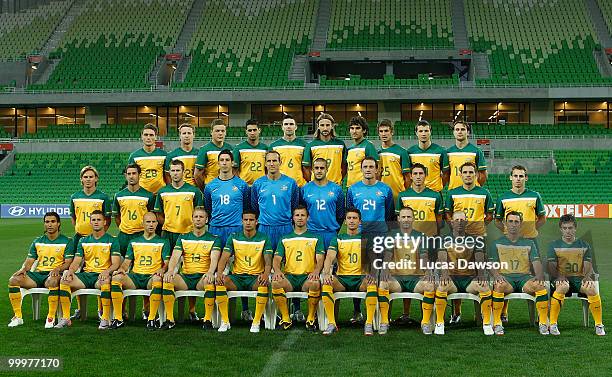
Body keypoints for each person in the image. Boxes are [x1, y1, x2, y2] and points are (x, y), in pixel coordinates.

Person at [203, 149, 252, 322]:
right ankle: (216, 310)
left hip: (236, 230)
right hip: (216, 230)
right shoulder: (210, 186)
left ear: (232, 163)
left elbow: (247, 207)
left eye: (227, 160)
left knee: (241, 269)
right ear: (218, 163)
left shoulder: (242, 185)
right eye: (221, 160)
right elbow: (208, 208)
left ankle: (245, 309)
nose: (224, 163)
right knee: (217, 269)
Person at [494, 165, 546, 323]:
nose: (518, 179)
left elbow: (542, 218)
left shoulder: (535, 196)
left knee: (534, 278)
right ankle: (503, 312)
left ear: (526, 178)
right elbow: (497, 220)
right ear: (510, 178)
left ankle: (539, 314)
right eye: (515, 176)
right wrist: (508, 232)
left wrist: (529, 231)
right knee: (506, 276)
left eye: (521, 176)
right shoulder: (503, 198)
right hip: (509, 245)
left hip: (530, 242)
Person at [55, 210, 121, 329]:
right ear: (90, 222)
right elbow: (76, 261)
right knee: (65, 280)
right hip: (86, 276)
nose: (96, 222)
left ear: (105, 222)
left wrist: (106, 272)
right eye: (94, 220)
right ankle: (66, 318)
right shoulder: (83, 240)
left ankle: (105, 318)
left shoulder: (112, 240)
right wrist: (70, 271)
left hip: (101, 276)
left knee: (105, 281)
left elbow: (116, 264)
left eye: (99, 220)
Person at [395, 162, 443, 324]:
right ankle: (406, 313)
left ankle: (428, 317)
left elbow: (439, 221)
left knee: (429, 277)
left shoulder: (435, 195)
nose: (417, 177)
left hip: (428, 242)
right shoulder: (403, 195)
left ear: (425, 176)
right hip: (408, 243)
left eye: (420, 174)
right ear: (410, 176)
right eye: (414, 174)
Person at [8, 212, 74, 328]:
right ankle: (18, 317)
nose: (50, 224)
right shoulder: (37, 241)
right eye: (47, 222)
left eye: (53, 221)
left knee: (52, 281)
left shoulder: (67, 241)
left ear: (58, 224)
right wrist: (24, 269)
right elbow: (30, 260)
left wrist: (57, 269)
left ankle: (50, 317)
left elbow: (68, 263)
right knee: (13, 280)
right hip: (37, 275)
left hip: (54, 275)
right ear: (44, 224)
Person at [320, 208, 378, 336]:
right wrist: (326, 273)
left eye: (355, 218)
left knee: (372, 283)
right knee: (326, 283)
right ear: (345, 221)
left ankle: (368, 323)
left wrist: (372, 272)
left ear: (360, 221)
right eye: (349, 218)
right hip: (342, 279)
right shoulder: (338, 238)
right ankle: (332, 323)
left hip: (360, 278)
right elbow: (329, 256)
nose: (352, 221)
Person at [489, 212, 549, 336]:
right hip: (506, 279)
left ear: (520, 224)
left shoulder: (529, 243)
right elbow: (491, 264)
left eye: (516, 222)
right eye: (510, 221)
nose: (513, 224)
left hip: (524, 278)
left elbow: (536, 261)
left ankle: (543, 323)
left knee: (539, 285)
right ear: (505, 224)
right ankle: (497, 322)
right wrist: (496, 276)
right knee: (499, 285)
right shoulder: (496, 243)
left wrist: (538, 275)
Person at [378, 207, 436, 335]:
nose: (406, 219)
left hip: (415, 279)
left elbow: (424, 256)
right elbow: (387, 255)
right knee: (383, 283)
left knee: (430, 284)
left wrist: (428, 272)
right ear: (398, 219)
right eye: (403, 217)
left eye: (409, 217)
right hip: (397, 279)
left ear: (413, 219)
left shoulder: (421, 236)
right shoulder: (391, 235)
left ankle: (425, 322)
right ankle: (384, 322)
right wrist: (385, 269)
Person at [162, 208, 222, 330]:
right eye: (196, 217)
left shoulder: (214, 239)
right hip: (186, 278)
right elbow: (175, 256)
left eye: (201, 217)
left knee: (209, 281)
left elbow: (214, 258)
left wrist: (210, 272)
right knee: (168, 280)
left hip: (202, 278)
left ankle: (207, 320)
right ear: (192, 219)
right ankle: (170, 319)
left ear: (206, 220)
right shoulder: (183, 237)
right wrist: (170, 270)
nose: (198, 219)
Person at [435, 211, 493, 335]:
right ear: (451, 222)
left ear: (466, 222)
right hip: (452, 279)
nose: (460, 222)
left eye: (462, 220)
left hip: (469, 280)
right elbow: (442, 257)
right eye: (457, 220)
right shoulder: (443, 239)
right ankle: (440, 323)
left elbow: (479, 257)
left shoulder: (475, 239)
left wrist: (481, 275)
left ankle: (487, 323)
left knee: (484, 287)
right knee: (442, 286)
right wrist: (444, 274)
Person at [215, 210, 273, 333]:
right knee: (220, 281)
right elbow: (224, 258)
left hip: (255, 278)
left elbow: (268, 261)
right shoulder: (234, 237)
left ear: (256, 222)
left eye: (251, 220)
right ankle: (225, 321)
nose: (248, 222)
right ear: (242, 221)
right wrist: (220, 273)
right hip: (237, 278)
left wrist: (266, 274)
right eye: (245, 220)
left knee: (263, 283)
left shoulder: (264, 238)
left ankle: (256, 322)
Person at [109, 212, 170, 329]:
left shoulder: (163, 242)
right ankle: (118, 318)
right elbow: (127, 262)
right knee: (116, 277)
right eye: (148, 222)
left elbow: (166, 263)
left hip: (151, 278)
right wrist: (121, 269)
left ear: (157, 224)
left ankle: (151, 318)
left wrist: (162, 269)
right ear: (143, 224)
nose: (151, 224)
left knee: (158, 279)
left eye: (153, 222)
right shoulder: (133, 242)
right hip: (136, 278)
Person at [547, 214, 605, 336]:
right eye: (565, 228)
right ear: (561, 229)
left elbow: (588, 265)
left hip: (579, 279)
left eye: (570, 228)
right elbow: (551, 266)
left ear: (575, 228)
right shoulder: (553, 245)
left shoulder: (584, 245)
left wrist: (587, 276)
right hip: (561, 279)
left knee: (591, 288)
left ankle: (599, 325)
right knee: (562, 287)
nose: (568, 231)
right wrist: (558, 276)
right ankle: (553, 324)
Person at [271, 206, 325, 331]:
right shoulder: (284, 238)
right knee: (275, 282)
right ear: (293, 218)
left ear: (308, 218)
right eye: (297, 215)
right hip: (290, 277)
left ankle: (311, 318)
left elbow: (320, 259)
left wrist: (316, 271)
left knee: (315, 283)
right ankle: (285, 319)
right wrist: (278, 271)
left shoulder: (316, 238)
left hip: (307, 277)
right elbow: (277, 259)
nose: (300, 218)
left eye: (303, 215)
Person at [69, 165, 111, 320]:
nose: (88, 179)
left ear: (96, 179)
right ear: (81, 179)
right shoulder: (74, 196)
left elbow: (107, 220)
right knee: (78, 271)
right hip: (80, 238)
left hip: (97, 240)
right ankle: (81, 309)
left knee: (100, 269)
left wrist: (97, 234)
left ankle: (101, 309)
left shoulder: (103, 197)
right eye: (85, 177)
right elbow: (74, 218)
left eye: (91, 176)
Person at [251, 150, 299, 251]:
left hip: (285, 227)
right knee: (265, 263)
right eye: (268, 161)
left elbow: (294, 205)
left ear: (280, 162)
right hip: (264, 227)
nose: (271, 164)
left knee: (287, 262)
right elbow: (254, 207)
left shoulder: (290, 183)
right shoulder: (258, 184)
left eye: (274, 160)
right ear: (265, 163)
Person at [300, 158, 345, 251]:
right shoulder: (305, 189)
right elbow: (301, 211)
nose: (319, 171)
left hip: (330, 233)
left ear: (327, 169)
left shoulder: (336, 189)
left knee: (330, 264)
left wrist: (333, 228)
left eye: (322, 168)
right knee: (312, 265)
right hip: (311, 233)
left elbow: (340, 214)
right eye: (316, 168)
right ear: (312, 170)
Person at [113, 164, 155, 257]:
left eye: (134, 173)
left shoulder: (149, 196)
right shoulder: (119, 195)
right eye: (129, 174)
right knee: (122, 266)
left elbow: (152, 217)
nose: (131, 176)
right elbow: (117, 217)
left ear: (139, 175)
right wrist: (124, 228)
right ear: (126, 176)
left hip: (141, 234)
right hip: (123, 236)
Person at [445, 162, 494, 237]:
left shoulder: (485, 193)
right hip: (459, 235)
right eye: (465, 172)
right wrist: (455, 227)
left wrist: (480, 225)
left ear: (476, 174)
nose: (468, 175)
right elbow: (447, 214)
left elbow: (490, 215)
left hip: (478, 235)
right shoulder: (452, 193)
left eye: (471, 172)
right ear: (460, 175)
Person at [303, 112, 346, 185]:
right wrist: (314, 182)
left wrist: (339, 179)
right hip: (316, 186)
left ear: (332, 126)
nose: (325, 128)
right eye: (322, 125)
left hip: (335, 185)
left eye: (328, 125)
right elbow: (306, 168)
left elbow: (344, 166)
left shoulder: (340, 144)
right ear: (318, 126)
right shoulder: (311, 145)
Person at [407, 120, 449, 192]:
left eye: (426, 131)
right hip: (417, 193)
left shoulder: (440, 151)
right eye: (420, 131)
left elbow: (446, 174)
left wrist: (439, 187)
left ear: (430, 132)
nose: (423, 134)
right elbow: (408, 175)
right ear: (416, 133)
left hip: (435, 192)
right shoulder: (410, 152)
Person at [446, 120, 487, 190]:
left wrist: (476, 187)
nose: (459, 132)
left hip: (472, 192)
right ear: (453, 132)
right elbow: (446, 174)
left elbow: (483, 174)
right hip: (454, 192)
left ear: (468, 132)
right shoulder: (448, 152)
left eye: (462, 129)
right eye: (457, 129)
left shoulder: (476, 151)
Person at [269, 114, 308, 187]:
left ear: (296, 127)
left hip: (299, 185)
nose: (289, 126)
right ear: (282, 127)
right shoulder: (274, 146)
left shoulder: (304, 145)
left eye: (291, 124)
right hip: (280, 185)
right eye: (286, 124)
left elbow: (307, 168)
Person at [128, 123, 167, 194]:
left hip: (159, 195)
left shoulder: (164, 155)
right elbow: (131, 176)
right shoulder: (135, 156)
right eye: (146, 135)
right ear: (142, 137)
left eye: (151, 135)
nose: (148, 137)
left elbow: (167, 175)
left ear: (156, 137)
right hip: (142, 195)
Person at [195, 118, 233, 190]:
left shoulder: (230, 149)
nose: (220, 133)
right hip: (211, 187)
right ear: (211, 132)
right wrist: (205, 188)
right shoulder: (204, 150)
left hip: (227, 187)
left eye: (222, 131)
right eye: (217, 131)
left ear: (225, 132)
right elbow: (197, 175)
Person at [377, 119, 410, 200]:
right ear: (378, 134)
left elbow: (407, 177)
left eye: (386, 131)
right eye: (381, 131)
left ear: (392, 132)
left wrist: (404, 194)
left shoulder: (402, 152)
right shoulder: (376, 153)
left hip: (398, 195)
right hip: (381, 194)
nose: (383, 134)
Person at [346, 116, 378, 188]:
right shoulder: (349, 149)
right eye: (352, 128)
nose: (354, 131)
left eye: (357, 128)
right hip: (350, 187)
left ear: (364, 130)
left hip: (364, 187)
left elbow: (376, 170)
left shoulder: (368, 146)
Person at [233, 119, 268, 185]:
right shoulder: (238, 148)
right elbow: (234, 170)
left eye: (254, 130)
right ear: (246, 131)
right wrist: (239, 183)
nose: (252, 133)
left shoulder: (265, 148)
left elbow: (267, 169)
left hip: (262, 185)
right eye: (250, 130)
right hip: (245, 186)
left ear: (259, 130)